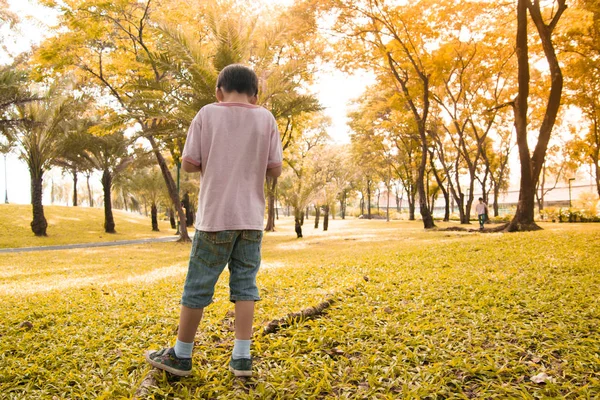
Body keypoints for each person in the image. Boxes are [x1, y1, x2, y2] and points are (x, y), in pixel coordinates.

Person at [145, 64, 283, 378]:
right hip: (250, 220)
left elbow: (190, 164)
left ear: (219, 91)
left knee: (197, 287)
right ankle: (242, 358)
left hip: (215, 218)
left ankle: (181, 355)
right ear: (255, 95)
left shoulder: (207, 113)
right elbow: (275, 169)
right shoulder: (266, 118)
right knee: (246, 286)